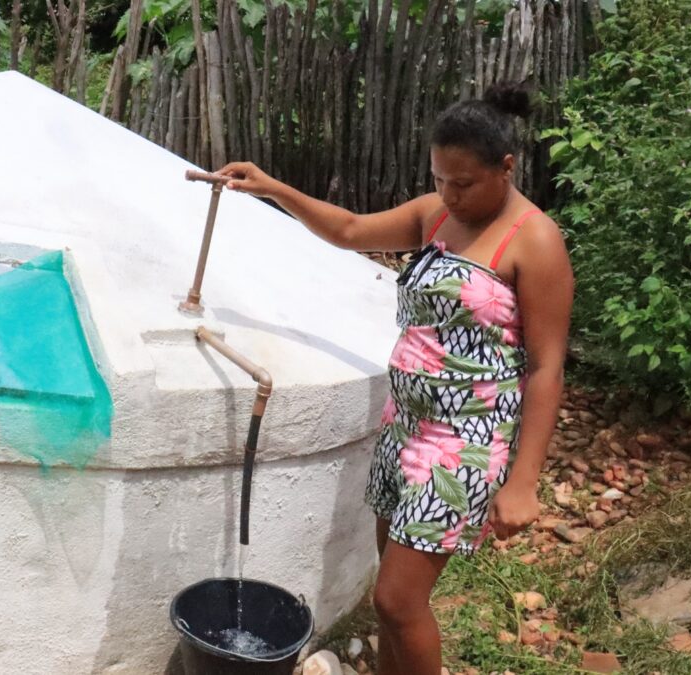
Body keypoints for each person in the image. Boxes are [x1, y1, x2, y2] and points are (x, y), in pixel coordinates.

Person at [216, 82, 573, 675]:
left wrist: (524, 481)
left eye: (463, 183)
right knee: (394, 601)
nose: (448, 194)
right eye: (438, 178)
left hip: (463, 443)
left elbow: (547, 365)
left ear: (506, 168)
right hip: (403, 430)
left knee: (397, 599)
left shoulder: (534, 241)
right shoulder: (437, 216)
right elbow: (353, 230)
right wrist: (273, 189)